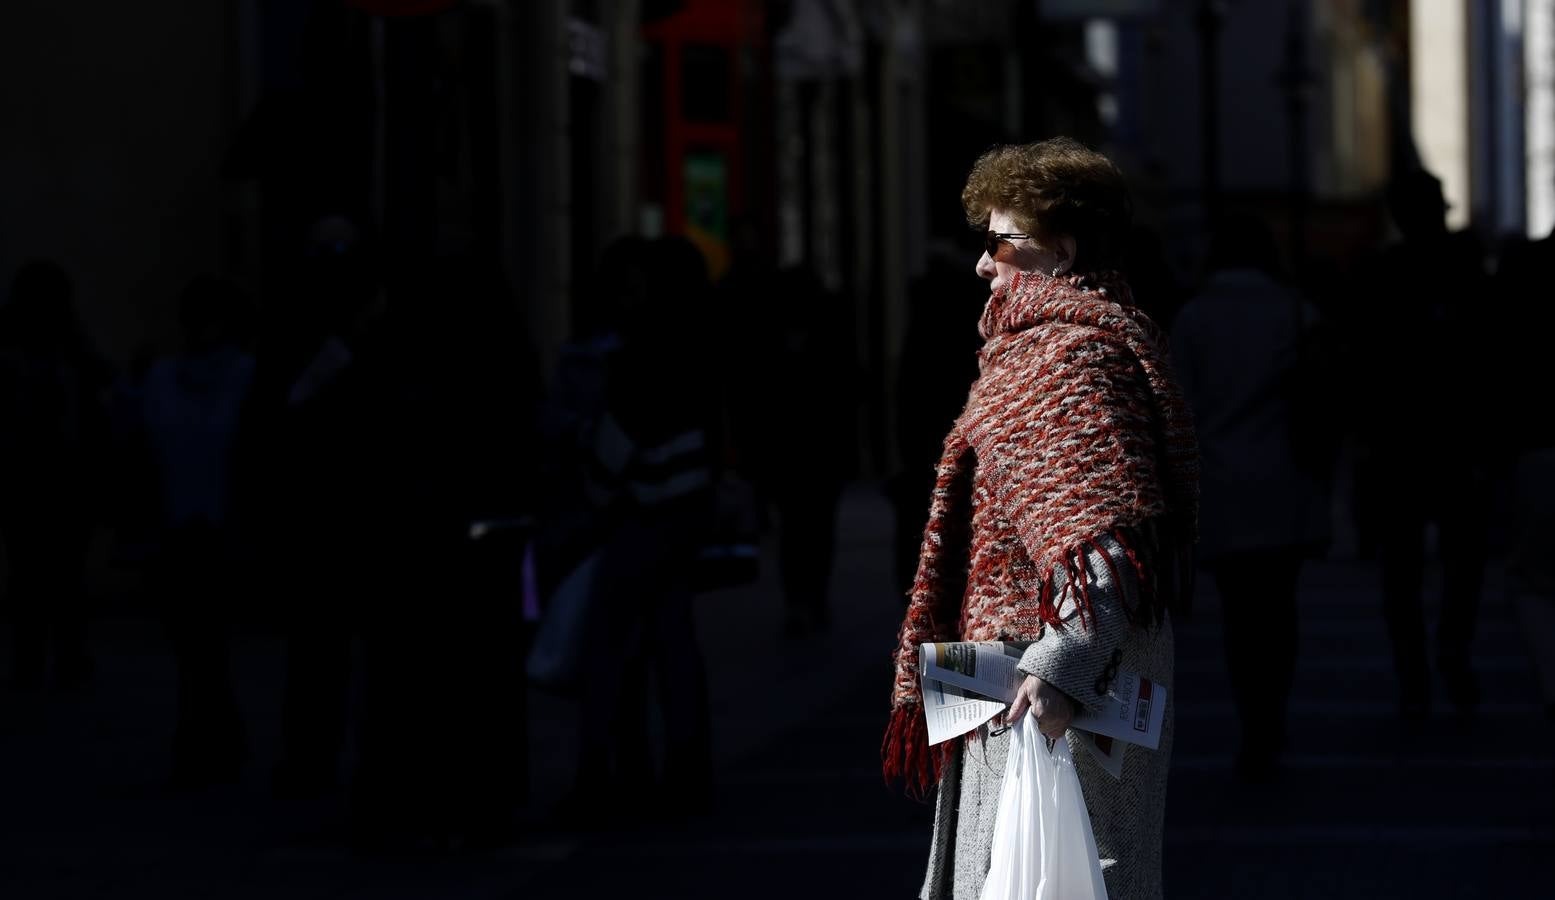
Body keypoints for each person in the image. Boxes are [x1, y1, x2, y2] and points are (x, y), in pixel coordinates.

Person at [883, 138, 1199, 900]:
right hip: (1029, 668)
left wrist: (1060, 670)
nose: (982, 264)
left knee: (1067, 871)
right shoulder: (1052, 347)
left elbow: (1101, 536)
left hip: (1051, 677)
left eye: (999, 241)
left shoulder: (1066, 357)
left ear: (1056, 249)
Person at [1169, 214, 1330, 781]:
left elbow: (1178, 407)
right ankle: (1274, 714)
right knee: (1279, 608)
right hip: (1284, 476)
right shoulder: (1294, 312)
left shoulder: (1194, 317)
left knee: (1239, 616)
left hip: (1224, 483)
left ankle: (1251, 722)